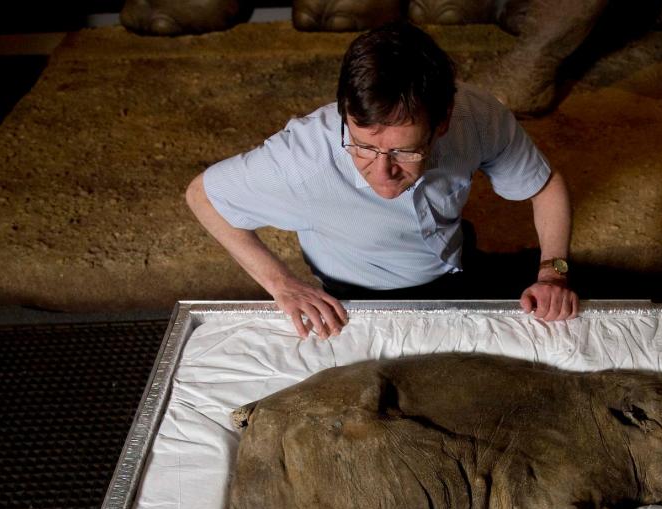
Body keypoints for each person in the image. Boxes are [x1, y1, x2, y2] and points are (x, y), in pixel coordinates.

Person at [186, 20, 578, 339]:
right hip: (359, 297)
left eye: (404, 152)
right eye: (363, 147)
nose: (382, 172)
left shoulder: (476, 116)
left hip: (458, 259)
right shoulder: (300, 159)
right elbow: (202, 195)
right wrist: (281, 285)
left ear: (442, 122)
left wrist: (552, 273)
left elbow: (545, 186)